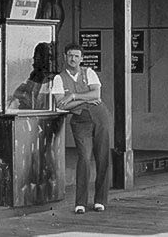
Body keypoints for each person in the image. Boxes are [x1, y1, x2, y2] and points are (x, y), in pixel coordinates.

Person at [52, 43, 112, 214]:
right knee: (84, 158)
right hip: (80, 120)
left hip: (100, 116)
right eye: (70, 55)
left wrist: (73, 96)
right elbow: (61, 105)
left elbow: (96, 95)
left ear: (82, 58)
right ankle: (81, 203)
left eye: (77, 56)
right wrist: (83, 100)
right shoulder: (59, 78)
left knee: (102, 157)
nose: (73, 59)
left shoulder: (89, 72)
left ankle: (100, 200)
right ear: (65, 57)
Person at [8, 42, 56, 110]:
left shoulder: (53, 79)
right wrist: (26, 96)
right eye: (35, 57)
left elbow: (41, 104)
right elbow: (17, 92)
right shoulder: (33, 77)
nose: (34, 59)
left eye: (38, 57)